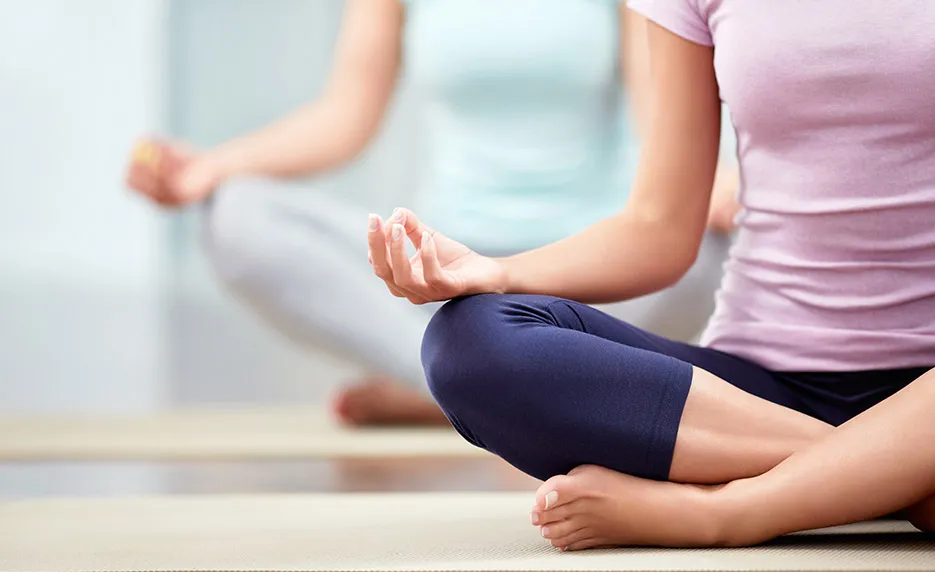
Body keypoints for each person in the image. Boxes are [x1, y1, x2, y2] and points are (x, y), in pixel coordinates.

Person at [367, 0, 935, 551]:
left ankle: (728, 511)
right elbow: (659, 228)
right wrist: (498, 272)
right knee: (469, 342)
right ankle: (896, 477)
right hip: (755, 401)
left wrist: (723, 512)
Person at [125, 0, 739, 426]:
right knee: (237, 215)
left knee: (710, 249)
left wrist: (727, 197)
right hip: (443, 273)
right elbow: (343, 118)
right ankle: (485, 376)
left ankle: (460, 378)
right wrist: (209, 168)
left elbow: (659, 124)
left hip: (591, 272)